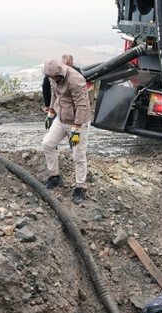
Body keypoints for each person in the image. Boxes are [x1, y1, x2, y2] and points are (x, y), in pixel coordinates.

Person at [42, 58, 91, 204]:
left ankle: (80, 187)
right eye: (51, 78)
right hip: (61, 119)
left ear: (61, 73)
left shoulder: (76, 80)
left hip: (78, 121)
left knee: (78, 156)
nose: (53, 80)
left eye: (55, 77)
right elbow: (54, 94)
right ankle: (55, 176)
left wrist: (76, 129)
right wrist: (51, 112)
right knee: (47, 144)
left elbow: (81, 105)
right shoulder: (52, 78)